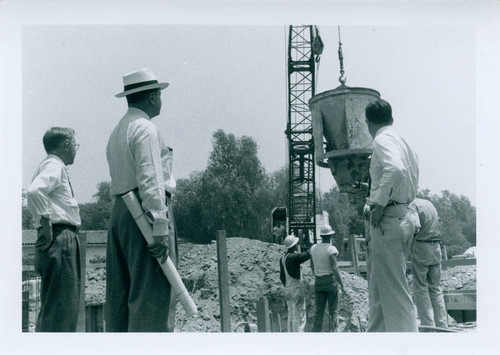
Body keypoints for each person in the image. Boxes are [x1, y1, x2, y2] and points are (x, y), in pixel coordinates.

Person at [105, 68, 173, 332]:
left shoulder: (118, 130)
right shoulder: (146, 129)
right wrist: (159, 227)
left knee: (121, 294)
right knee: (151, 295)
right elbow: (151, 178)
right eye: (160, 95)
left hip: (121, 212)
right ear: (153, 97)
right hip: (143, 214)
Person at [364, 98, 420, 332]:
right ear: (391, 118)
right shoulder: (401, 140)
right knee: (379, 290)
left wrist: (378, 202)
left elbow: (395, 169)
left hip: (388, 218)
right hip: (403, 213)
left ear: (367, 123)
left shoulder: (381, 139)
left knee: (395, 294)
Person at [27, 127, 82, 332]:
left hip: (56, 239)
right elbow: (35, 191)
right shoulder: (54, 165)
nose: (76, 150)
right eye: (75, 145)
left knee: (54, 308)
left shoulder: (44, 166)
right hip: (62, 237)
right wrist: (46, 222)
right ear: (66, 145)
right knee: (63, 311)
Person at [409, 198, 448, 328]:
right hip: (436, 246)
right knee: (436, 288)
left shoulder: (412, 205)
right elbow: (440, 222)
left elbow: (415, 226)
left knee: (421, 287)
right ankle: (442, 325)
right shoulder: (429, 204)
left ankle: (428, 326)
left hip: (422, 246)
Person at [310, 225, 345, 332]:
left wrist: (318, 274)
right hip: (330, 282)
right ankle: (334, 333)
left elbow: (312, 266)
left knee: (319, 311)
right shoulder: (331, 249)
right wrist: (342, 285)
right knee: (333, 311)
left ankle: (316, 334)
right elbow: (334, 268)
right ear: (330, 236)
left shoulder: (314, 248)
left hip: (318, 281)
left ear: (321, 235)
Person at [279, 235, 310, 332]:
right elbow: (306, 255)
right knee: (299, 314)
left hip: (288, 288)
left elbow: (282, 276)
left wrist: (287, 287)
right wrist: (314, 247)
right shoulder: (293, 257)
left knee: (291, 313)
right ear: (293, 246)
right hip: (296, 288)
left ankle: (290, 334)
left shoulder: (283, 258)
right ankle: (298, 336)